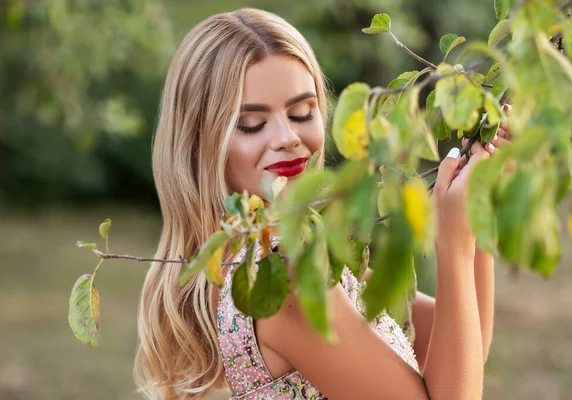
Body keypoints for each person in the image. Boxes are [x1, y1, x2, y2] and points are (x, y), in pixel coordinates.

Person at [133, 7, 510, 400]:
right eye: (251, 124)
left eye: (301, 112)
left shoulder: (271, 256)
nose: (287, 137)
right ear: (199, 142)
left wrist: (477, 189)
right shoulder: (280, 276)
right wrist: (454, 243)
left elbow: (461, 349)